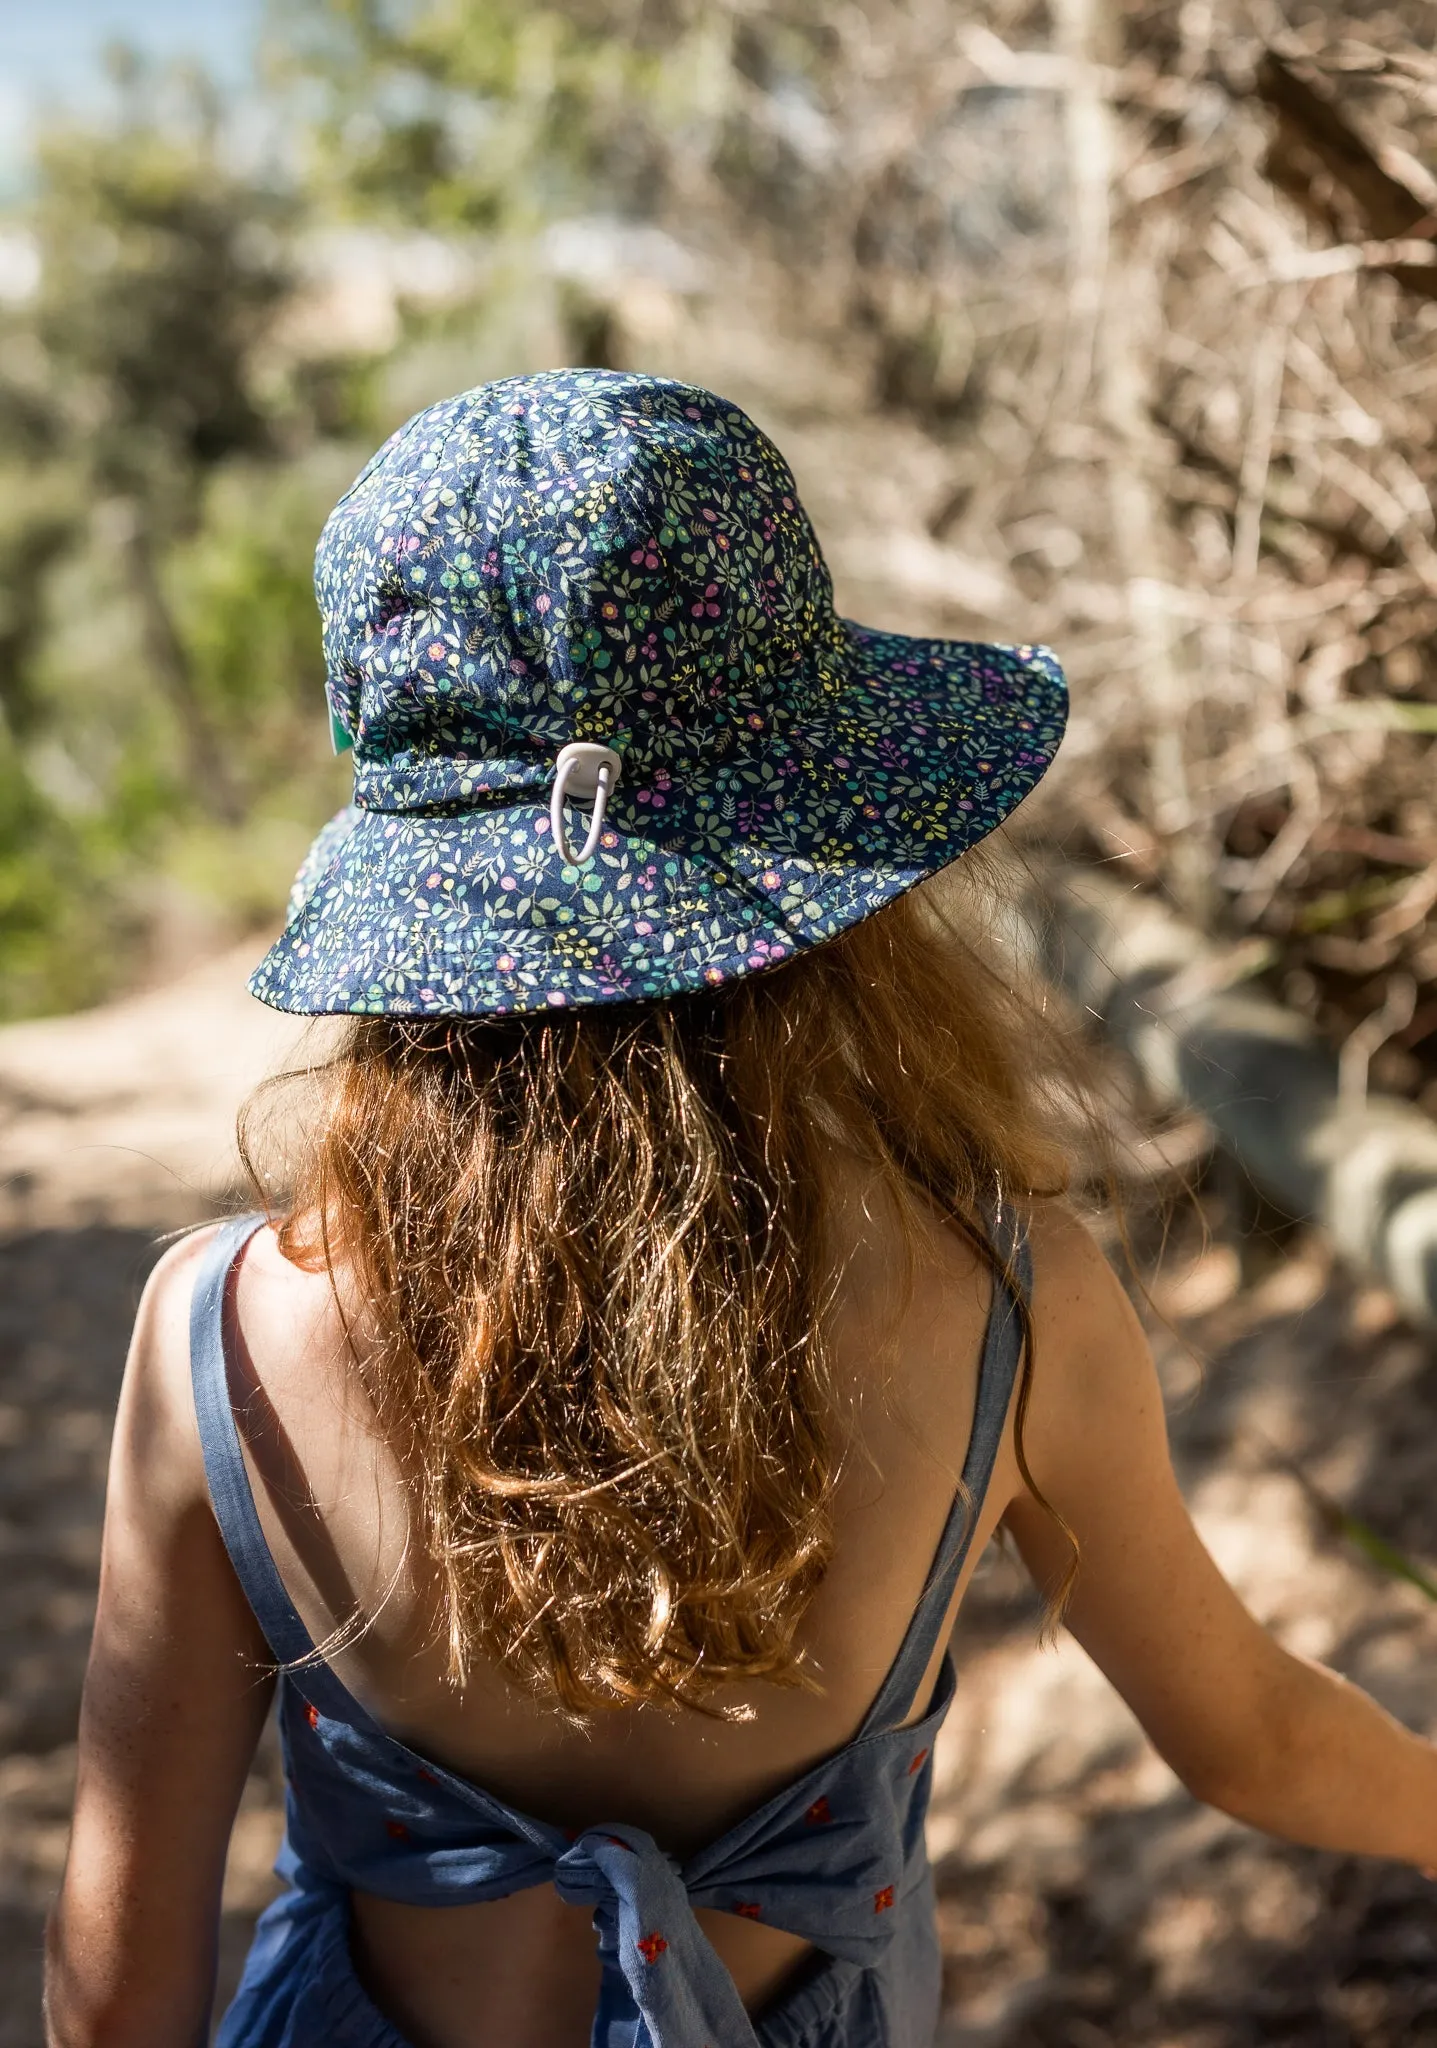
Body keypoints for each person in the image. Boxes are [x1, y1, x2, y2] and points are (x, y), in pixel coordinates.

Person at [45, 371, 1437, 2048]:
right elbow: (1253, 1742)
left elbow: (117, 1998)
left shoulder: (222, 1339)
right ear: (837, 852)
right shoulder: (1008, 1306)